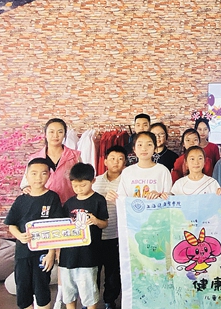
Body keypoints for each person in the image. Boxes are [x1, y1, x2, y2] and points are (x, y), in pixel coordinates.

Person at [5, 158, 64, 309]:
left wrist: (51, 253)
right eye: (34, 173)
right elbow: (11, 224)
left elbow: (56, 228)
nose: (38, 177)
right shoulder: (21, 200)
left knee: (42, 289)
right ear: (26, 175)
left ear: (49, 175)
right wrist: (19, 236)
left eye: (43, 173)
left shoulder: (52, 197)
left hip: (42, 253)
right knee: (23, 288)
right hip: (23, 254)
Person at [59, 163, 108, 309]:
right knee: (68, 291)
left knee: (89, 291)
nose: (79, 189)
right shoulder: (69, 203)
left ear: (93, 181)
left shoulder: (99, 200)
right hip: (68, 254)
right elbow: (62, 226)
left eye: (83, 185)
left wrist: (96, 221)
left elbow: (104, 224)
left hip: (89, 255)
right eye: (75, 186)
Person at [92, 146, 127, 309]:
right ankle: (92, 300)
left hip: (117, 234)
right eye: (112, 158)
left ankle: (110, 301)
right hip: (97, 234)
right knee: (94, 270)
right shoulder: (95, 181)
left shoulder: (127, 182)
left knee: (113, 272)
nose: (116, 162)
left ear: (124, 162)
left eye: (120, 159)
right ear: (105, 161)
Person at [22, 118, 81, 205]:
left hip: (69, 204)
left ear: (65, 135)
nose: (55, 135)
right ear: (45, 134)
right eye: (51, 132)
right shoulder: (35, 158)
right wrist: (26, 187)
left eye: (60, 132)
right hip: (42, 204)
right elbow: (26, 182)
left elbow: (83, 179)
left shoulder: (75, 156)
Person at [108, 131, 172, 200]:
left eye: (149, 144)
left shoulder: (163, 171)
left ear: (154, 148)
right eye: (140, 145)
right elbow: (122, 199)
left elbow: (169, 199)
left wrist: (159, 195)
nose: (144, 148)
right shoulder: (127, 172)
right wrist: (113, 197)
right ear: (134, 149)